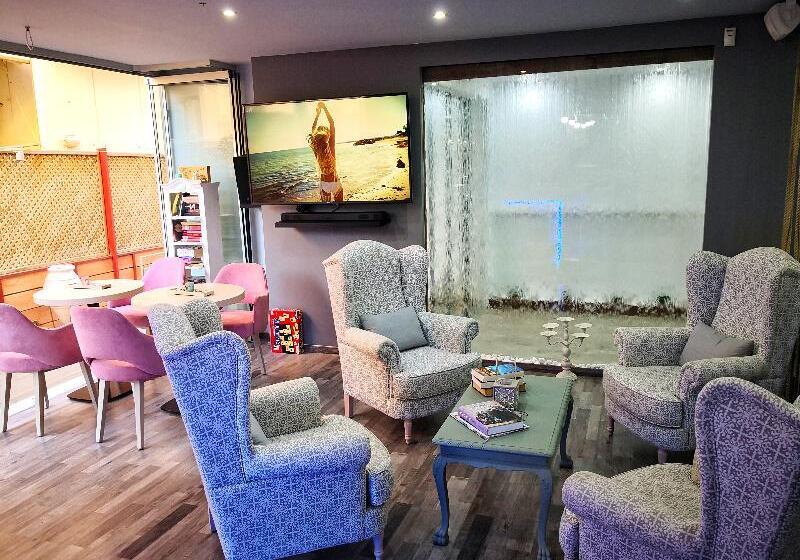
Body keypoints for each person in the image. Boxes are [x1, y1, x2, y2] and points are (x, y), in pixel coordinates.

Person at [308, 101, 343, 202]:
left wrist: (317, 114)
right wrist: (324, 108)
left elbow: (312, 129)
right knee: (341, 207)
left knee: (325, 209)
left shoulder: (316, 149)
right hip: (335, 182)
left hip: (324, 185)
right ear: (327, 135)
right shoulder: (330, 146)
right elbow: (332, 123)